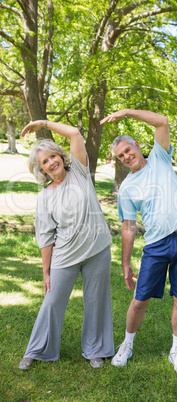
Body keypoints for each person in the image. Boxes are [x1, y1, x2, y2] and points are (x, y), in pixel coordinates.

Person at [100, 109, 177, 374]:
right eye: (120, 156)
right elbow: (129, 227)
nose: (126, 157)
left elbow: (162, 121)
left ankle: (176, 350)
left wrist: (126, 113)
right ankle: (127, 344)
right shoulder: (127, 188)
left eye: (128, 150)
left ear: (137, 145)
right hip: (156, 246)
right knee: (139, 300)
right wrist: (125, 263)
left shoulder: (159, 156)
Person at [18, 120, 114, 370]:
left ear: (61, 155)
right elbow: (46, 236)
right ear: (42, 170)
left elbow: (74, 133)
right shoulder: (45, 196)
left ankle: (95, 349)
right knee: (52, 301)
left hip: (96, 249)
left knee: (96, 300)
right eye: (45, 162)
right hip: (65, 254)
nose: (51, 162)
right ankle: (37, 350)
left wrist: (42, 123)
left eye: (53, 156)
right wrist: (46, 272)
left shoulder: (80, 171)